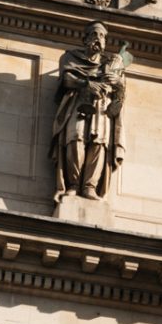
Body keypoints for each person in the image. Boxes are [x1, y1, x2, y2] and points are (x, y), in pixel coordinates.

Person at [52, 20, 128, 201]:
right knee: (75, 138)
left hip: (102, 109)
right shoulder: (70, 57)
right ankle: (73, 185)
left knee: (99, 143)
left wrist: (118, 84)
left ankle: (89, 187)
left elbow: (120, 93)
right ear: (85, 39)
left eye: (102, 36)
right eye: (94, 34)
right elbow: (66, 79)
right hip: (77, 105)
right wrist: (86, 83)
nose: (98, 39)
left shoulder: (111, 64)